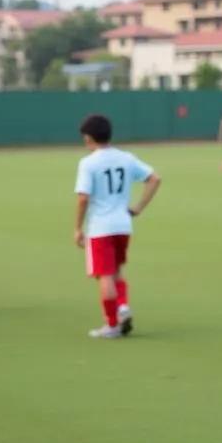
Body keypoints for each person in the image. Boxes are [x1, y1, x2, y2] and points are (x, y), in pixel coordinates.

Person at [74, 113, 162, 339]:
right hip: (123, 225)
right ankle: (122, 308)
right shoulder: (126, 158)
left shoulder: (88, 163)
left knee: (104, 274)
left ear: (89, 138)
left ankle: (111, 324)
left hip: (100, 227)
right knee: (116, 270)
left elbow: (83, 198)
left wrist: (77, 228)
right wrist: (139, 206)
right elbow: (155, 179)